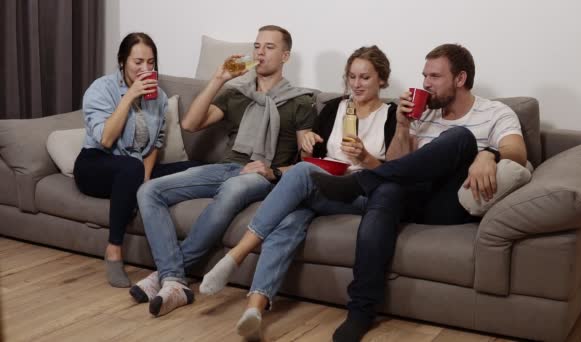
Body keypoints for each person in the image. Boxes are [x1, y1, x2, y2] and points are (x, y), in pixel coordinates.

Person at [310, 44, 528, 342]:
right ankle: (360, 312)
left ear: (460, 78)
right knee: (386, 192)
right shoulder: (424, 114)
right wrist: (402, 126)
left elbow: (516, 153)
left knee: (460, 137)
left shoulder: (494, 112)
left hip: (452, 202)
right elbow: (400, 166)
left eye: (435, 76)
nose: (425, 83)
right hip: (415, 198)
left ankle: (362, 182)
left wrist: (487, 154)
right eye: (424, 75)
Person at [200, 45, 398, 339]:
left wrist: (366, 159)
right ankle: (254, 308)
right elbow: (310, 161)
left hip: (360, 193)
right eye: (352, 77)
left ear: (381, 79)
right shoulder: (334, 108)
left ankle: (237, 254)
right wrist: (307, 145)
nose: (356, 84)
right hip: (324, 188)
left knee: (304, 177)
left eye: (365, 78)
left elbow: (396, 172)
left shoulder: (392, 116)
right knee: (289, 221)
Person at [129, 25, 317, 317]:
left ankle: (167, 276)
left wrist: (272, 171)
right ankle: (174, 278)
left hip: (259, 176)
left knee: (233, 188)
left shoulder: (301, 102)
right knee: (148, 189)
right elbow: (190, 123)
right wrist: (220, 78)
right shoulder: (236, 93)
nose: (260, 52)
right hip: (223, 168)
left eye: (269, 47)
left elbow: (307, 165)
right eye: (257, 46)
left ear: (285, 56)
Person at [74, 32, 201, 288]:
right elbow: (107, 139)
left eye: (151, 63)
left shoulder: (160, 98)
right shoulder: (102, 89)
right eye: (138, 62)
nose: (146, 69)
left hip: (134, 169)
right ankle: (113, 250)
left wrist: (144, 180)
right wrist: (130, 96)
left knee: (197, 167)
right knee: (130, 166)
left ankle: (139, 192)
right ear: (122, 61)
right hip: (95, 165)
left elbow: (155, 144)